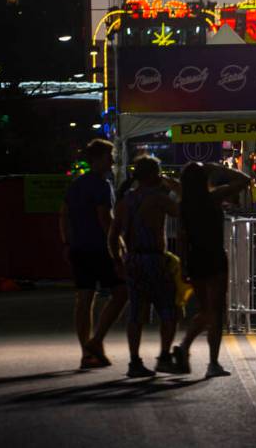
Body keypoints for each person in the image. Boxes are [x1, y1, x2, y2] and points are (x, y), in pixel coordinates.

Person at [172, 162, 251, 378]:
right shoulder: (214, 197)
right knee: (215, 312)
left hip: (196, 258)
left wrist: (183, 264)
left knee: (206, 310)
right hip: (215, 257)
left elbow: (181, 237)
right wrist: (218, 168)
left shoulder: (183, 204)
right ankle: (212, 362)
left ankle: (185, 345)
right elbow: (245, 180)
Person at [109, 155, 181, 378]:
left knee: (136, 313)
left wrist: (117, 260)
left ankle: (134, 361)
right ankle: (164, 357)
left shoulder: (125, 201)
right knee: (169, 310)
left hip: (133, 260)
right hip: (155, 260)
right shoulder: (158, 199)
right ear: (153, 174)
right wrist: (174, 185)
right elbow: (182, 211)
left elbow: (113, 235)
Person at [59, 138, 127, 369]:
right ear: (98, 159)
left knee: (84, 298)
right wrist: (119, 246)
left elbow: (64, 215)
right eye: (110, 157)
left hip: (79, 248)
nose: (112, 161)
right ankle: (96, 341)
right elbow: (105, 219)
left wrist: (67, 243)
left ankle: (86, 352)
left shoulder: (76, 185)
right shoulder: (101, 185)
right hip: (100, 248)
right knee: (121, 292)